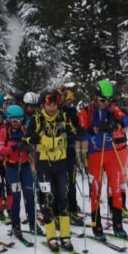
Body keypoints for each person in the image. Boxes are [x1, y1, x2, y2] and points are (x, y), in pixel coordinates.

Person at [78, 79, 128, 239]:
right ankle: (97, 225)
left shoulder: (112, 109)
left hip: (112, 153)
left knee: (115, 188)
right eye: (102, 100)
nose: (106, 103)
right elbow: (81, 132)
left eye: (109, 100)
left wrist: (117, 125)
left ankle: (118, 224)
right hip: (95, 154)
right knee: (96, 190)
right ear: (95, 97)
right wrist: (95, 130)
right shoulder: (86, 111)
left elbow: (126, 119)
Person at [25, 89, 76, 252]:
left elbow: (73, 131)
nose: (52, 107)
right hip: (44, 165)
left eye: (55, 104)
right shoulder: (37, 119)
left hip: (61, 164)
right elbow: (27, 136)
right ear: (43, 105)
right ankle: (51, 236)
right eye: (49, 104)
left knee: (63, 198)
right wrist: (37, 139)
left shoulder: (63, 117)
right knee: (48, 199)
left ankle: (65, 236)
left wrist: (76, 133)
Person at [0, 104, 36, 238]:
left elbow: (32, 144)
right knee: (16, 196)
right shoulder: (4, 132)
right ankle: (16, 224)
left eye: (20, 119)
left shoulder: (25, 130)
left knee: (29, 194)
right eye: (15, 120)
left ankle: (32, 222)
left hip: (24, 166)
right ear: (9, 119)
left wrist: (29, 148)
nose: (18, 123)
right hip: (12, 167)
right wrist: (13, 147)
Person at [55, 81, 81, 217]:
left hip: (69, 148)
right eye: (58, 95)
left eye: (62, 95)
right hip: (57, 150)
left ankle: (72, 207)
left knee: (71, 179)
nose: (60, 98)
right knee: (60, 180)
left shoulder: (70, 109)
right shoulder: (52, 110)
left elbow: (76, 126)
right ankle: (61, 207)